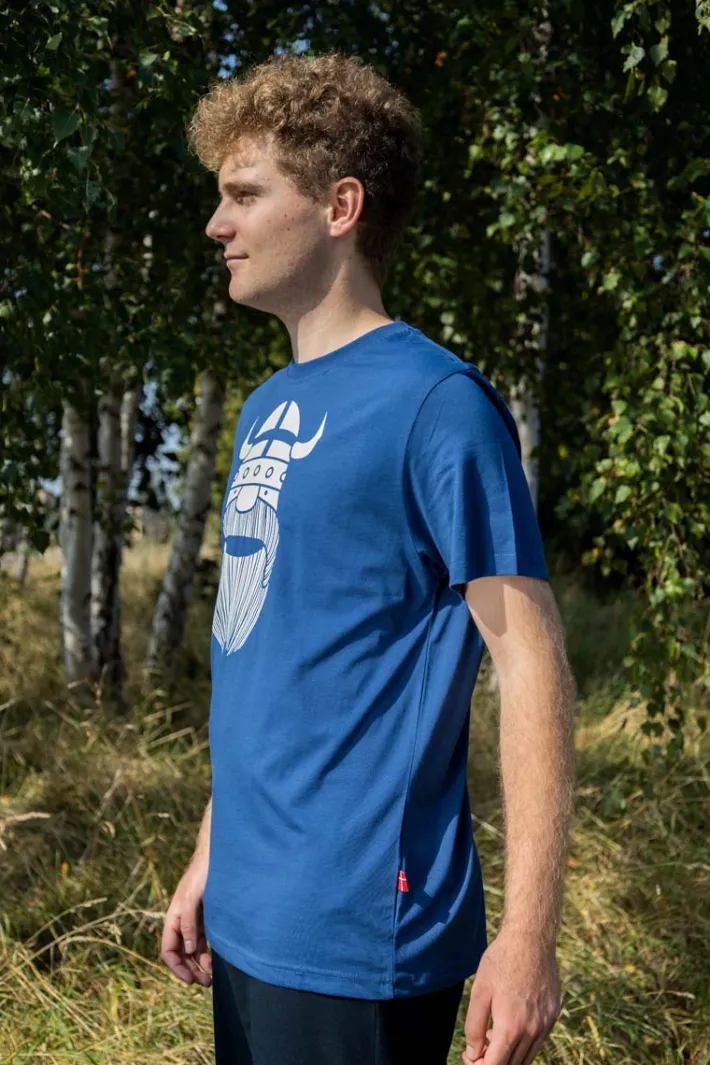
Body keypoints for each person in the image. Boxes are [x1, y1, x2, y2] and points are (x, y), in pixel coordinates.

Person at [161, 51, 576, 1065]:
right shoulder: (266, 407)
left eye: (244, 195)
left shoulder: (437, 405)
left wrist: (527, 936)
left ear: (339, 206)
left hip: (357, 934)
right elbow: (271, 652)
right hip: (250, 909)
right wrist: (213, 850)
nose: (217, 225)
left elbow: (529, 660)